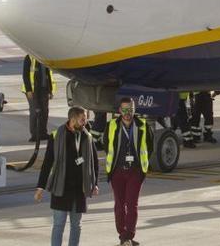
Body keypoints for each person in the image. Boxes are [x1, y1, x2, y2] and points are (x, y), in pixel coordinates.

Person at [35, 106, 99, 246]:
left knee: (76, 225)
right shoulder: (56, 135)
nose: (85, 123)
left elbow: (94, 162)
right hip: (61, 187)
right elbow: (47, 163)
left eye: (85, 119)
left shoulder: (87, 136)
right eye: (82, 119)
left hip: (79, 189)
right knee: (58, 224)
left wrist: (95, 184)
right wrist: (40, 187)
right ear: (72, 119)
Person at [104, 97, 153, 246]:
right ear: (119, 111)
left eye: (130, 110)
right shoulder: (112, 125)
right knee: (119, 205)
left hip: (135, 171)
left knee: (132, 205)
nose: (127, 113)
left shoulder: (143, 125)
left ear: (134, 110)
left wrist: (141, 166)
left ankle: (128, 235)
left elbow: (149, 147)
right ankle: (123, 235)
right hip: (117, 171)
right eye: (124, 110)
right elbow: (106, 145)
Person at [22, 54, 56, 142]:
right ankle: (34, 134)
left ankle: (43, 133)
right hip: (33, 90)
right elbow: (25, 75)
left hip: (44, 89)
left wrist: (50, 90)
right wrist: (28, 89)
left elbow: (49, 75)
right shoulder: (29, 58)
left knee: (44, 111)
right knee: (35, 111)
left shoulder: (44, 57)